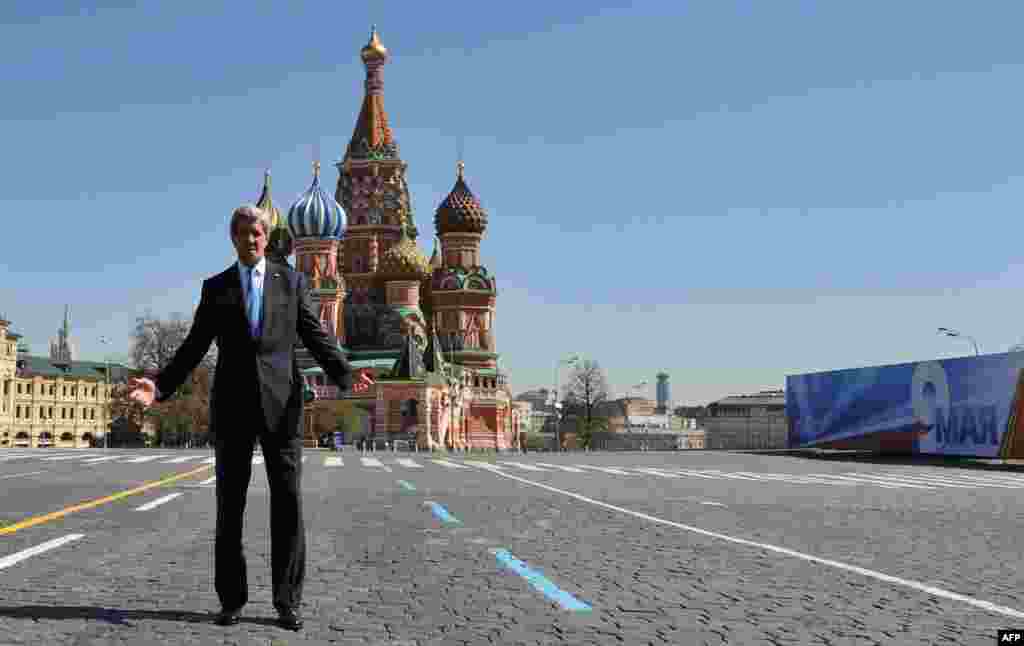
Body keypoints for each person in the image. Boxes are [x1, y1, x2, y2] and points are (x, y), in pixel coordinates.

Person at [126, 204, 373, 631]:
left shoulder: (292, 282)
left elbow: (316, 336)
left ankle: (287, 602)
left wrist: (346, 374)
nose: (251, 240)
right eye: (243, 234)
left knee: (288, 505)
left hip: (283, 406)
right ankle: (231, 601)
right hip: (234, 406)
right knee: (230, 508)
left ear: (267, 237)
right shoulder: (217, 287)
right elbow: (195, 344)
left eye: (257, 233)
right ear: (233, 238)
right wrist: (160, 386)